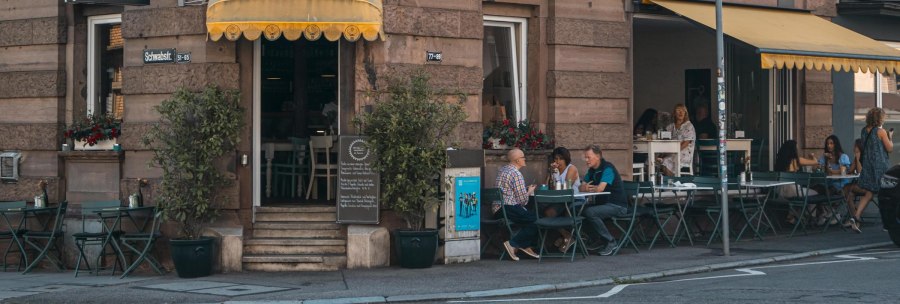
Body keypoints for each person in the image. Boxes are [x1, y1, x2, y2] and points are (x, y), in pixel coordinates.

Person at [850, 107, 893, 233]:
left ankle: (856, 216)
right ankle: (888, 223)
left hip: (868, 166)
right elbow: (889, 148)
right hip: (880, 166)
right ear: (879, 118)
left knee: (869, 192)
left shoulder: (864, 131)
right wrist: (890, 136)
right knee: (887, 194)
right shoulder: (881, 131)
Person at [579, 145, 628, 256]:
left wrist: (587, 188)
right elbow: (580, 187)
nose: (586, 160)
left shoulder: (608, 168)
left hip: (617, 205)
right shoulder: (591, 170)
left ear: (598, 156)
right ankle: (599, 239)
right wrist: (585, 188)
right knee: (578, 210)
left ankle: (610, 241)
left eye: (588, 157)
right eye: (585, 157)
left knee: (590, 212)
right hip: (604, 204)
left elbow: (600, 188)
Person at [495, 148, 540, 261]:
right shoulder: (516, 174)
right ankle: (513, 244)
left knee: (528, 218)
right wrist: (529, 192)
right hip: (508, 207)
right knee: (536, 220)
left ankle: (525, 245)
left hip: (497, 210)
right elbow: (522, 201)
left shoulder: (503, 170)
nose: (525, 159)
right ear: (517, 160)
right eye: (523, 157)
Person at [545, 147, 581, 252]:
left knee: (549, 213)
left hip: (573, 200)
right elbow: (547, 185)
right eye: (555, 159)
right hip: (559, 200)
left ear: (566, 159)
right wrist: (551, 172)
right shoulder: (554, 170)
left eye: (561, 159)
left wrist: (555, 174)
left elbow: (566, 187)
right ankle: (567, 236)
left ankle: (565, 237)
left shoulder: (571, 168)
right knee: (544, 211)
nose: (558, 161)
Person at [815, 135, 851, 225]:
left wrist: (830, 170)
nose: (829, 146)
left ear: (836, 144)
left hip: (840, 184)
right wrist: (819, 164)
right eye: (827, 144)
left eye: (831, 143)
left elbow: (842, 171)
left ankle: (832, 212)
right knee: (816, 190)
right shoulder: (825, 157)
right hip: (828, 183)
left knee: (829, 191)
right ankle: (826, 212)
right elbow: (817, 168)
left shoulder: (843, 156)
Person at [659, 104, 696, 176]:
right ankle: (653, 183)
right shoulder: (670, 126)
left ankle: (671, 182)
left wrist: (673, 152)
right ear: (674, 113)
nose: (681, 113)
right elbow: (664, 139)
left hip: (683, 153)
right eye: (678, 110)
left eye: (683, 111)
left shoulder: (689, 126)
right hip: (670, 151)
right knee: (652, 159)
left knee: (666, 161)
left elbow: (686, 143)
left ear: (685, 113)